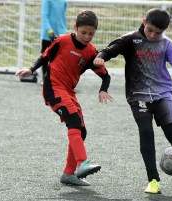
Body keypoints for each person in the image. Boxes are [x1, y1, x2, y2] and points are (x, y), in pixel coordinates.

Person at [93, 8, 172, 193]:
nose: (153, 35)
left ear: (166, 29)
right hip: (137, 96)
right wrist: (100, 57)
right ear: (143, 22)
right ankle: (153, 180)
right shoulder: (131, 39)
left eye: (159, 32)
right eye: (150, 30)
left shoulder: (167, 44)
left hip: (162, 94)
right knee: (146, 132)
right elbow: (110, 50)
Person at [16, 10, 113, 186]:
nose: (87, 37)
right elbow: (44, 57)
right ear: (75, 28)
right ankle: (82, 163)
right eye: (83, 32)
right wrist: (31, 69)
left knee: (81, 131)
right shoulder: (62, 41)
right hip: (53, 88)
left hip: (68, 91)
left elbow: (105, 76)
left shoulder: (91, 52)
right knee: (74, 121)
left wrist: (103, 89)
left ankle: (69, 174)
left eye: (91, 33)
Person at [40, 0, 68, 83]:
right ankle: (45, 79)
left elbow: (62, 15)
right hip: (47, 35)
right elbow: (44, 15)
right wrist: (49, 29)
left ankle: (57, 79)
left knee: (59, 58)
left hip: (61, 34)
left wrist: (63, 30)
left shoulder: (64, 1)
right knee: (45, 57)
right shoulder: (47, 1)